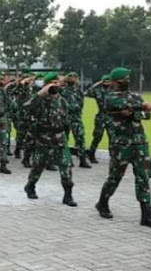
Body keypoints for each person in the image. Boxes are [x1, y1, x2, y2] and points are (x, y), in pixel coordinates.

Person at [95, 67, 151, 229]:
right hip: (121, 144)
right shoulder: (110, 97)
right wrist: (144, 105)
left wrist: (147, 109)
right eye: (121, 81)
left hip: (139, 143)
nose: (125, 83)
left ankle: (147, 215)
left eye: (126, 79)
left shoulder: (136, 96)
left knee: (143, 177)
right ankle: (102, 203)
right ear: (113, 83)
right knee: (115, 177)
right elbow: (125, 106)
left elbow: (145, 115)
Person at [23, 72, 77, 207]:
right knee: (39, 165)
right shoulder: (40, 100)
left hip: (60, 138)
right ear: (46, 85)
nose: (56, 84)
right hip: (44, 137)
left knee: (66, 165)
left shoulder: (62, 101)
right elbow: (27, 107)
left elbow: (66, 119)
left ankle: (68, 194)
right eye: (52, 82)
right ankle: (30, 185)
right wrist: (41, 93)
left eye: (57, 82)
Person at [61, 72, 91, 168]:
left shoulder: (78, 91)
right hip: (65, 118)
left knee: (80, 139)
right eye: (70, 77)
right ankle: (67, 159)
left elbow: (81, 103)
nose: (73, 79)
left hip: (76, 118)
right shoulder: (62, 90)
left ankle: (82, 160)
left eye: (74, 77)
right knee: (64, 139)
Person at [87, 75, 111, 163]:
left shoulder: (114, 91)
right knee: (97, 137)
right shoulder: (98, 91)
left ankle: (114, 157)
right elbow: (88, 92)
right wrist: (97, 84)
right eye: (105, 81)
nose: (106, 83)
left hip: (111, 116)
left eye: (108, 81)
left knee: (113, 137)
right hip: (101, 116)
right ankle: (91, 154)